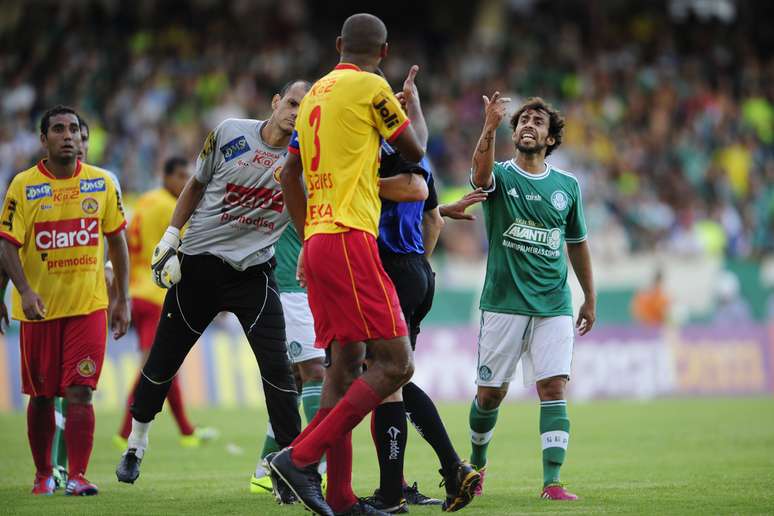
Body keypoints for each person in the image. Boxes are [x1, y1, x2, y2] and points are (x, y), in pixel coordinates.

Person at [273, 13, 478, 516]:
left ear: (339, 44)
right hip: (350, 239)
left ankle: (342, 499)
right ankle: (299, 458)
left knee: (342, 368)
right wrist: (407, 108)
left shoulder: (315, 93)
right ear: (383, 53)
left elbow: (287, 175)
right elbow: (416, 150)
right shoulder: (371, 86)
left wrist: (306, 236)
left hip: (318, 241)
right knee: (396, 363)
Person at [115, 80, 310, 483]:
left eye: (304, 110)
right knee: (161, 364)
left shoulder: (308, 159)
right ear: (276, 102)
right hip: (200, 266)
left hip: (255, 273)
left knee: (279, 371)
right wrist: (172, 235)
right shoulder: (230, 133)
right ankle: (137, 443)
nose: (295, 113)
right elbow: (197, 182)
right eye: (291, 103)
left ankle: (293, 469)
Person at [364, 69, 486, 514]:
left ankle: (395, 493)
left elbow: (414, 188)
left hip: (390, 271)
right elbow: (433, 218)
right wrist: (419, 265)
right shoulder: (410, 147)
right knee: (392, 377)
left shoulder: (381, 150)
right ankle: (442, 471)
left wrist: (359, 184)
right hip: (412, 269)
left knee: (384, 379)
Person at [468, 95, 596, 501]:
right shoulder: (501, 177)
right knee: (491, 394)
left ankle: (552, 482)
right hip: (503, 303)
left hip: (553, 304)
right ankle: (476, 465)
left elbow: (577, 243)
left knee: (554, 387)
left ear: (551, 137)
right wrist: (488, 127)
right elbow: (479, 174)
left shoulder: (567, 186)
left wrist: (589, 298)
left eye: (538, 121)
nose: (528, 124)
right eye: (523, 119)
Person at [0, 105, 130, 495]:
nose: (68, 135)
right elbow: (7, 247)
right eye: (58, 129)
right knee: (41, 396)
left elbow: (117, 242)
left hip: (88, 306)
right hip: (39, 309)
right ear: (43, 140)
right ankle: (43, 473)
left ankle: (77, 475)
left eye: (73, 128)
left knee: (80, 391)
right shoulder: (23, 186)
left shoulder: (102, 183)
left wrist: (121, 298)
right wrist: (20, 291)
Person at [114, 156, 218, 449]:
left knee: (163, 365)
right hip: (155, 294)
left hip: (136, 291)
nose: (186, 182)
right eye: (182, 176)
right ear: (167, 176)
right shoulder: (168, 207)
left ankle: (186, 431)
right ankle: (125, 432)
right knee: (154, 366)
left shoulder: (146, 200)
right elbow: (187, 246)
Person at [49, 114, 123, 489]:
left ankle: (68, 467)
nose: (76, 143)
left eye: (81, 137)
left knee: (77, 387)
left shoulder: (105, 181)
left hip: (90, 295)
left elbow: (113, 234)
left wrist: (110, 272)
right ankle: (52, 467)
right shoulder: (40, 185)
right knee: (53, 391)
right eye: (67, 135)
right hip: (50, 296)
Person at [250, 221, 328, 493]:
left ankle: (264, 469)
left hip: (307, 289)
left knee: (294, 381)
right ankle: (319, 465)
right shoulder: (291, 181)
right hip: (290, 288)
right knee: (315, 371)